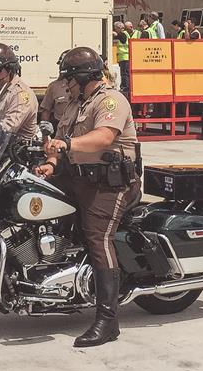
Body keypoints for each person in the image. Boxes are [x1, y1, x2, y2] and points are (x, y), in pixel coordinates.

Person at [36, 47, 140, 348]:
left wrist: (66, 144)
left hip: (111, 184)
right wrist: (50, 164)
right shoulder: (73, 104)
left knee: (98, 238)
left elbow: (104, 137)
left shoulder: (111, 100)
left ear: (83, 77)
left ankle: (108, 321)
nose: (64, 84)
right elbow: (61, 145)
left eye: (68, 78)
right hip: (78, 179)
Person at [40, 53, 75, 129]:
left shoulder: (84, 86)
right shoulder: (54, 87)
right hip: (60, 128)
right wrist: (46, 135)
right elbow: (46, 111)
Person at [113, 22, 131, 94]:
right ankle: (125, 87)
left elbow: (122, 40)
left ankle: (125, 87)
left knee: (124, 74)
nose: (115, 29)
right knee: (124, 73)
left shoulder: (123, 34)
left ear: (119, 28)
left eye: (116, 28)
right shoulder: (125, 34)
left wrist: (116, 34)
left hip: (125, 57)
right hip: (124, 57)